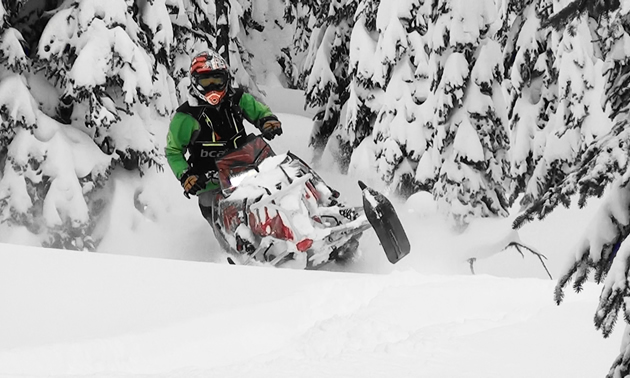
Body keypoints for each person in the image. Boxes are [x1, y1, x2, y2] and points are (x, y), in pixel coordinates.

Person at [165, 50, 282, 236]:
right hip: (211, 181)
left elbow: (259, 111)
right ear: (195, 82)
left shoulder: (237, 99)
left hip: (248, 168)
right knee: (232, 223)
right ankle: (239, 251)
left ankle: (317, 209)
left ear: (226, 79)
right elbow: (173, 151)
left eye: (217, 81)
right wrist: (186, 176)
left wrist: (268, 120)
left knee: (282, 183)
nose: (212, 87)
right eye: (206, 82)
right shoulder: (186, 116)